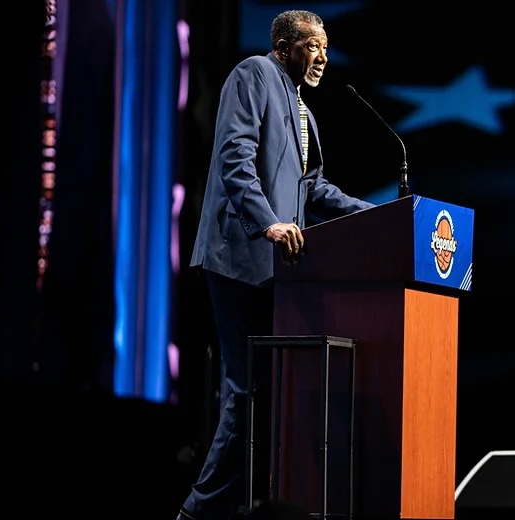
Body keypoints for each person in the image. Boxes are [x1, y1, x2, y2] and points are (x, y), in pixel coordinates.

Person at [177, 9, 375, 520]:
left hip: (279, 272)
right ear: (285, 46)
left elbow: (314, 188)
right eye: (313, 47)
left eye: (327, 49)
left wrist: (382, 215)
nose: (323, 58)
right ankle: (196, 513)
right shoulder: (254, 75)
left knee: (269, 400)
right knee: (246, 396)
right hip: (241, 258)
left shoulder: (305, 113)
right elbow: (234, 158)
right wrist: (268, 222)